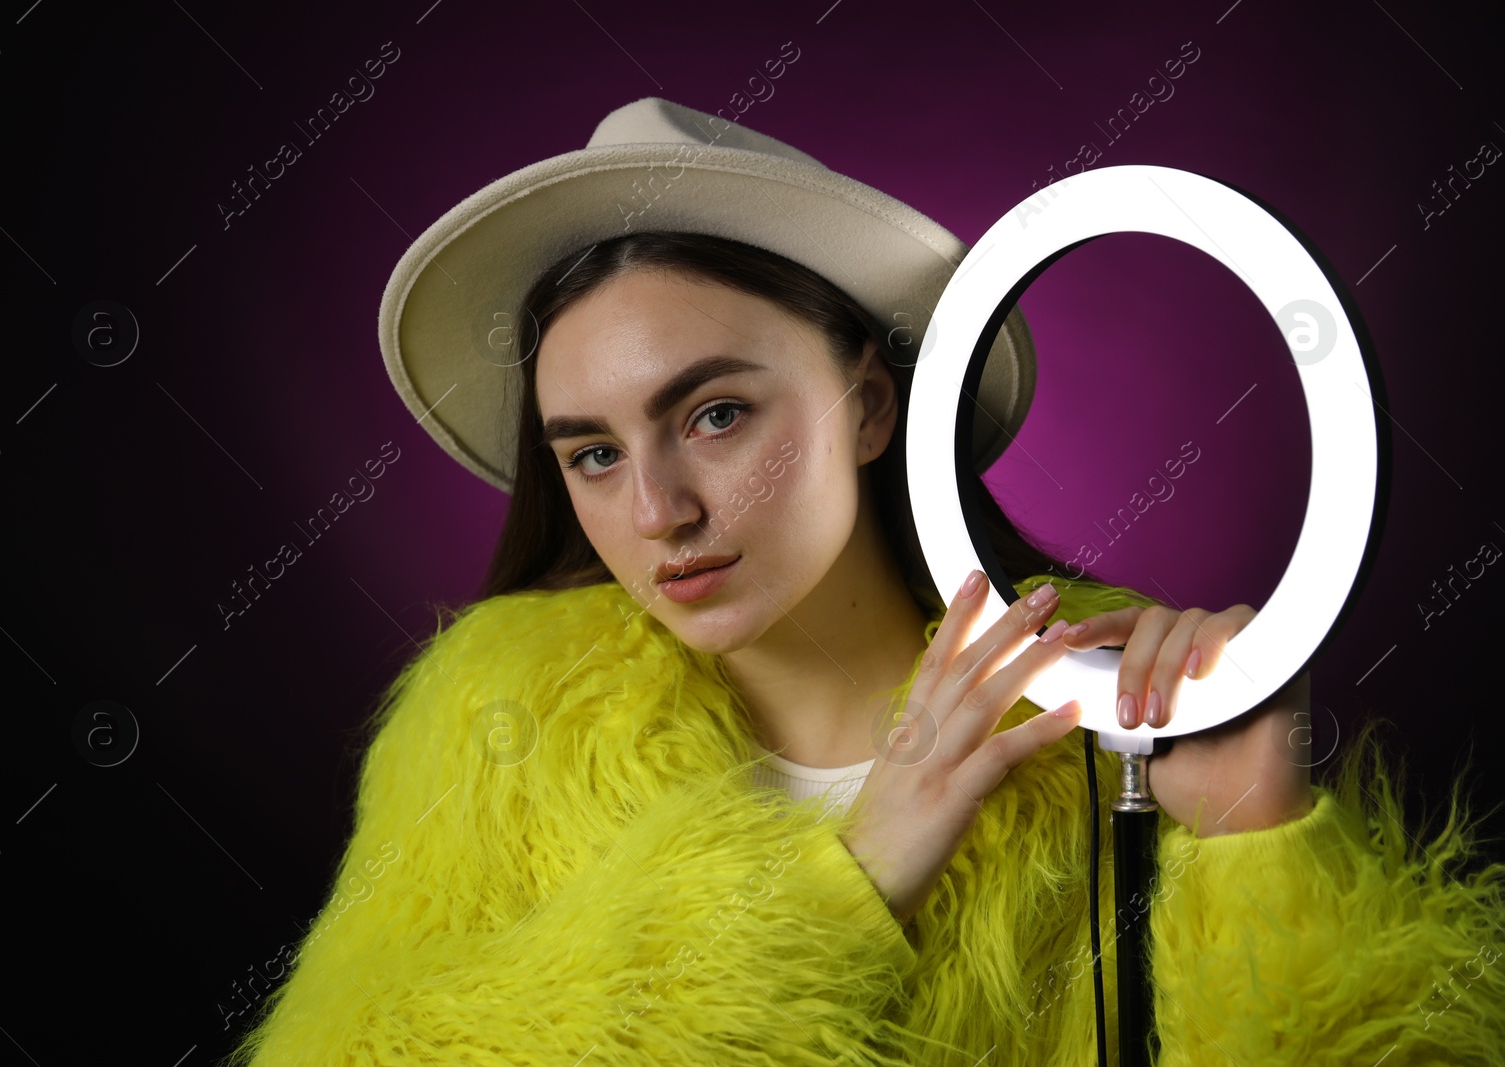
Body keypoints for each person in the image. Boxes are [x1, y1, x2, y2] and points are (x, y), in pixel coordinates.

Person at [226, 98, 1505, 1066]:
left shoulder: (1095, 717)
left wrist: (1249, 839)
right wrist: (851, 882)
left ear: (870, 402)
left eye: (717, 414)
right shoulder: (492, 719)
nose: (657, 509)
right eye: (595, 455)